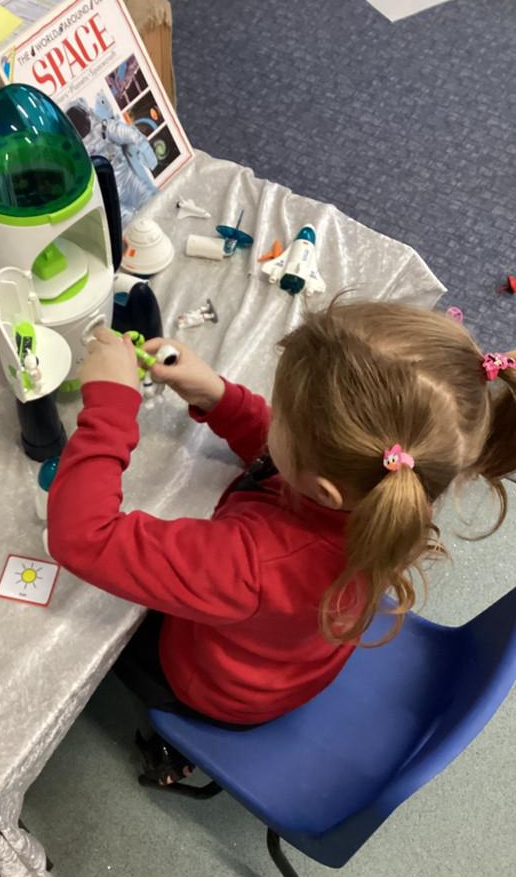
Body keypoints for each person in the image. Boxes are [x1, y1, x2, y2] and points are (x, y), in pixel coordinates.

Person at [47, 302, 516, 785]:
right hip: (294, 659)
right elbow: (304, 456)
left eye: (281, 423)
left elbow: (83, 536)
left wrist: (109, 408)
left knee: (96, 633)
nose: (272, 424)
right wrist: (218, 396)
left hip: (219, 690)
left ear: (323, 489)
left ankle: (173, 747)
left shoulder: (253, 563)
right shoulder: (397, 486)